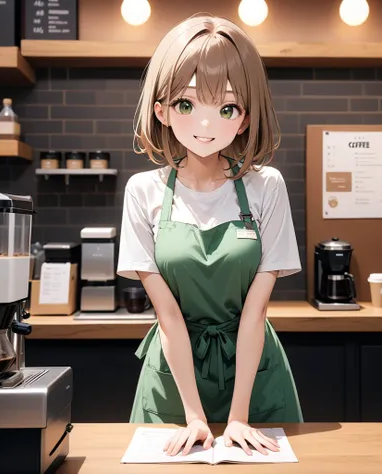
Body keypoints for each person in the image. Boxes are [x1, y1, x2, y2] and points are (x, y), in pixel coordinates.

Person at [117, 13, 303, 459]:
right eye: (187, 105)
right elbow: (169, 317)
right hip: (174, 382)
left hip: (253, 376)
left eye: (226, 108)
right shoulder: (143, 192)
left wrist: (238, 417)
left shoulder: (266, 187)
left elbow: (255, 312)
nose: (205, 124)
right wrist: (196, 417)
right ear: (161, 110)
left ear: (243, 120)